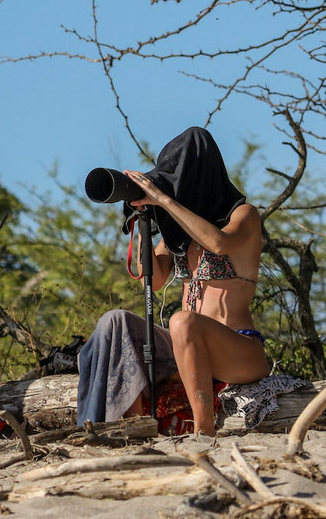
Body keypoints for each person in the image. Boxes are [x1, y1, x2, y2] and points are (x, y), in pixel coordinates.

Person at [76, 127, 270, 435]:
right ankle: (113, 426)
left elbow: (217, 243)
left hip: (239, 348)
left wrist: (165, 202)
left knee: (182, 321)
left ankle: (203, 431)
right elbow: (151, 280)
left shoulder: (244, 216)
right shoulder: (177, 237)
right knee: (116, 322)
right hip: (185, 345)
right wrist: (144, 220)